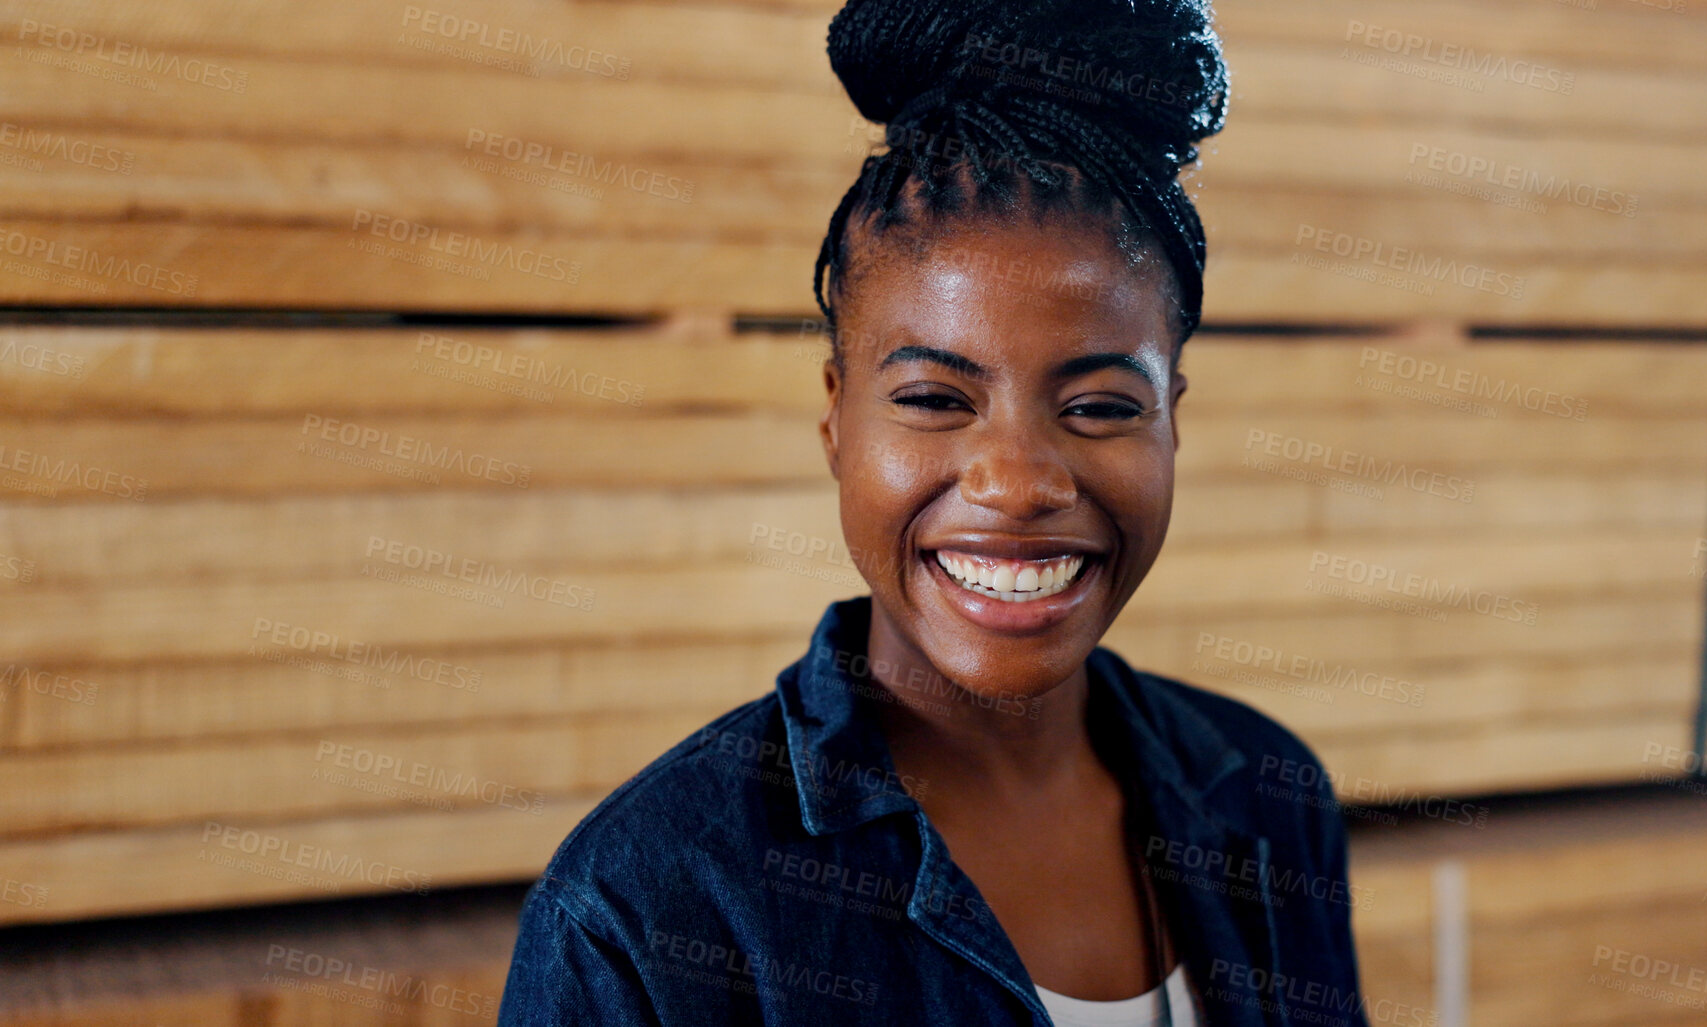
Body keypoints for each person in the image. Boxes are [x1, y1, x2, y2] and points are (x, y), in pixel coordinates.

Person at [498, 1, 1367, 1023]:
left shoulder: (1268, 804)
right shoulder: (647, 911)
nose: (1017, 481)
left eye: (1097, 406)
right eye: (934, 401)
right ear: (836, 420)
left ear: (1171, 424)